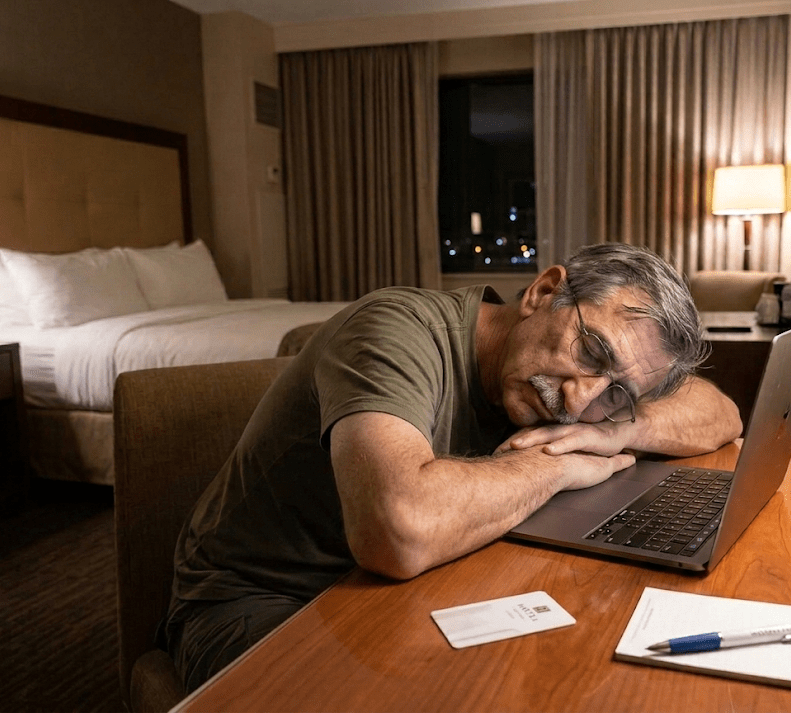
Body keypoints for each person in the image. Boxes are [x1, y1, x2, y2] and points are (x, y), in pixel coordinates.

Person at [161, 243, 741, 692]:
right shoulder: (394, 327)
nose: (580, 396)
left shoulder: (584, 400)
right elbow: (398, 530)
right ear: (544, 291)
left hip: (398, 595)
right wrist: (556, 464)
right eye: (592, 353)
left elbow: (723, 414)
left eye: (616, 389)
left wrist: (609, 428)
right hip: (263, 601)